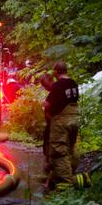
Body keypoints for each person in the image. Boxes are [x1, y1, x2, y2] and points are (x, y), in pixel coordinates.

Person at [42, 61, 80, 189]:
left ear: (56, 72)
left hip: (62, 121)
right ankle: (69, 174)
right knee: (70, 148)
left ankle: (67, 183)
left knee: (59, 151)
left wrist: (44, 104)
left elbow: (47, 104)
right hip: (75, 119)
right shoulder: (73, 83)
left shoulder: (59, 85)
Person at [39, 73, 55, 187]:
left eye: (45, 85)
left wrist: (45, 105)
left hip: (54, 125)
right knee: (47, 146)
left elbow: (48, 105)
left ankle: (50, 178)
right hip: (50, 124)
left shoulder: (56, 90)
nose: (45, 88)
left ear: (50, 80)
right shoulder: (53, 91)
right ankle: (48, 173)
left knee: (52, 148)